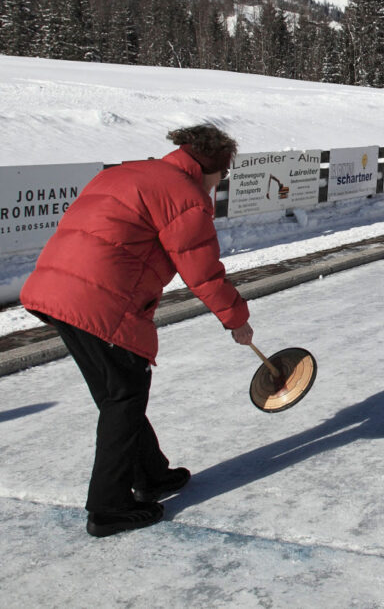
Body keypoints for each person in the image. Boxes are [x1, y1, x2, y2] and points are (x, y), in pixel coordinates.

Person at [20, 124, 254, 538]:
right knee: (124, 395)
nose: (222, 182)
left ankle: (152, 475)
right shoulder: (185, 196)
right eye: (224, 174)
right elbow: (202, 272)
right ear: (211, 168)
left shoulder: (127, 172)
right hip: (99, 299)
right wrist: (236, 319)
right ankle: (108, 507)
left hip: (54, 288)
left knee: (117, 392)